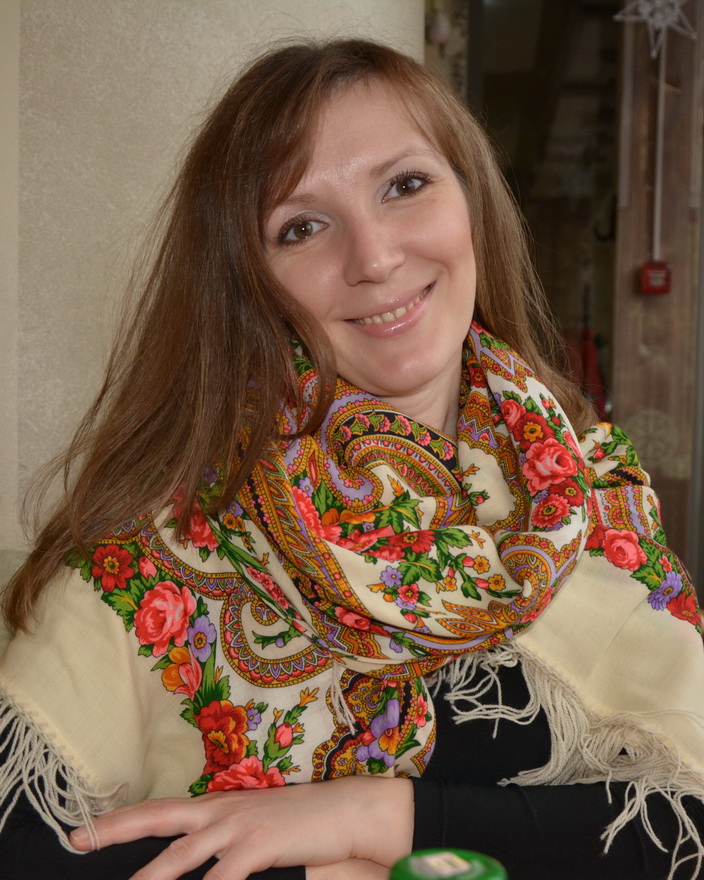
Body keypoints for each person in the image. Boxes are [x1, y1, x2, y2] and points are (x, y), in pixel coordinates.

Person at [1, 38, 703, 880]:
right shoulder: (147, 555)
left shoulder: (595, 498)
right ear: (247, 282)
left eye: (404, 185)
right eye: (301, 227)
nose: (373, 258)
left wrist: (380, 816)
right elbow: (25, 854)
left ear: (472, 202)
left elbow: (684, 830)